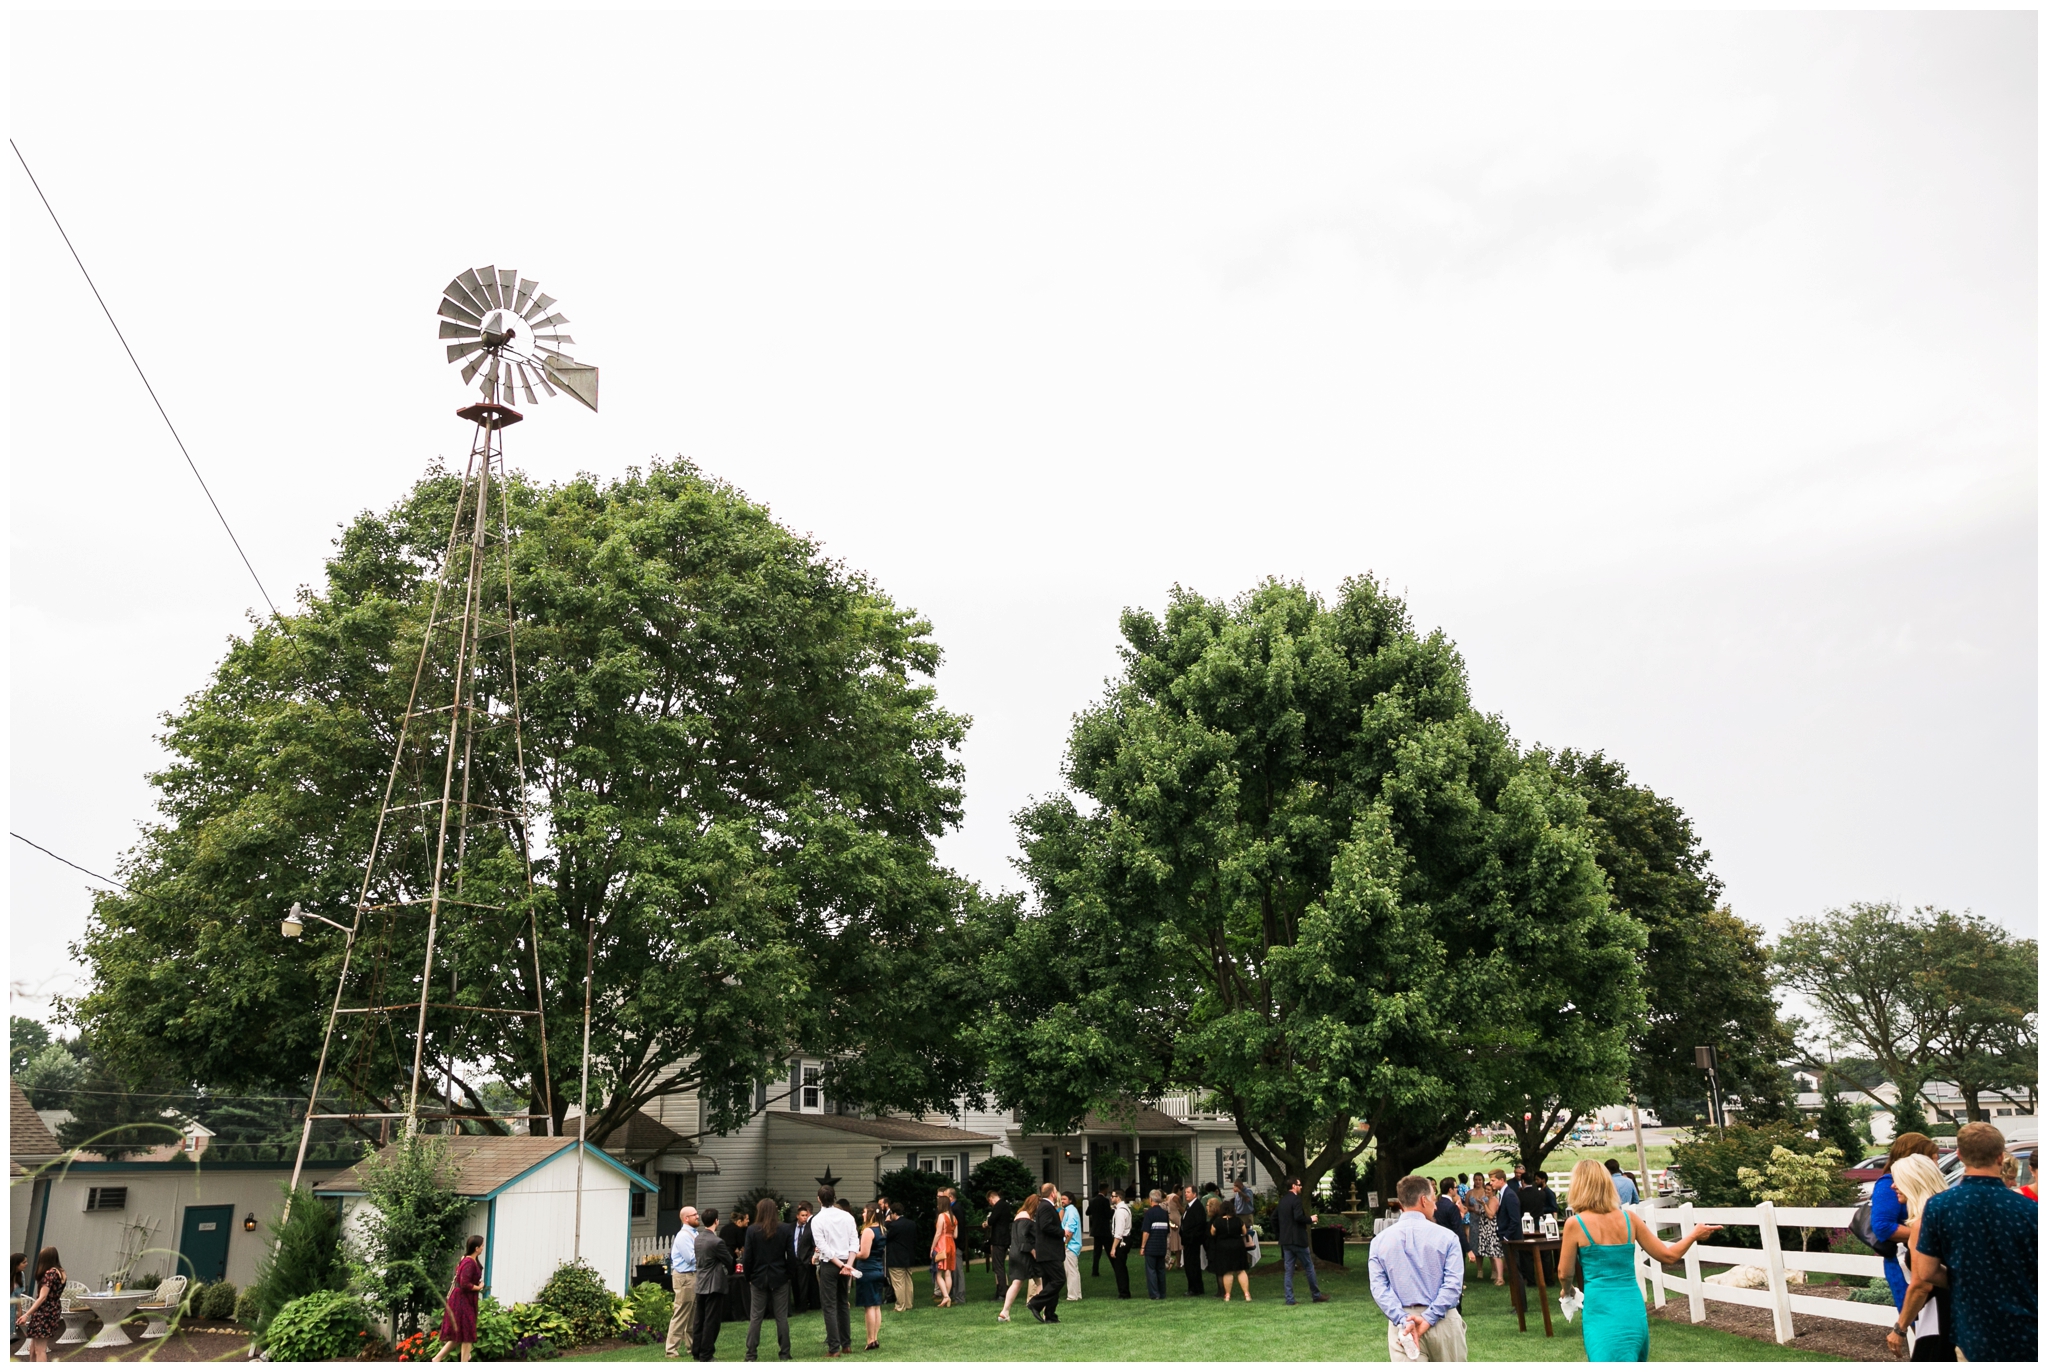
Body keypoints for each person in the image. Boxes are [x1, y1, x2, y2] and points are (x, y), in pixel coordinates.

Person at [1895, 1120, 2037, 1363]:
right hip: (2026, 1328)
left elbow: (1926, 1271)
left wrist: (1966, 1278)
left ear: (1959, 1155)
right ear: (2000, 1156)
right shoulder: (2028, 1208)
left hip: (1973, 1329)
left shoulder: (1940, 1207)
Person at [1556, 1159, 1718, 1363]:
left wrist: (1568, 1290)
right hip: (1632, 1306)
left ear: (1578, 1186)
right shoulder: (1629, 1219)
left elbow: (1564, 1273)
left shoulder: (1575, 1224)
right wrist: (1693, 1235)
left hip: (1601, 1308)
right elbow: (1668, 1256)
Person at [1369, 1177, 1467, 1362]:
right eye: (1433, 1199)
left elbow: (1379, 1288)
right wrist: (1429, 1318)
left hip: (1404, 1323)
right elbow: (1453, 1286)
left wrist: (1402, 1319)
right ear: (1423, 1200)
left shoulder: (1379, 1241)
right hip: (1443, 1321)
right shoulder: (1448, 1237)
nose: (1436, 1206)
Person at [1881, 1154, 1951, 1362]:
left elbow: (1922, 1284)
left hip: (1938, 1316)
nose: (1893, 1186)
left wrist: (1899, 1328)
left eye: (1899, 1180)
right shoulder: (1947, 1214)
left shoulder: (1923, 1225)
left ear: (1914, 1181)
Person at [1870, 1132, 1938, 1309]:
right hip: (1903, 1264)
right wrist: (1927, 1234)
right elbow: (1882, 1226)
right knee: (1917, 1318)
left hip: (1925, 1260)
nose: (1936, 1165)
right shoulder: (1888, 1184)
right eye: (1932, 1159)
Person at [808, 1185, 858, 1358]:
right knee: (843, 1302)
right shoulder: (847, 1216)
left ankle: (834, 1347)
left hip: (830, 1264)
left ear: (819, 1199)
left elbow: (823, 1248)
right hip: (845, 1261)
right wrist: (848, 1264)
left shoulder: (817, 1219)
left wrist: (843, 1265)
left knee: (829, 1305)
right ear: (835, 1197)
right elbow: (854, 1242)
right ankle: (846, 1344)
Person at [742, 1197, 792, 1363]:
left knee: (756, 1317)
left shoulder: (752, 1230)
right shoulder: (785, 1229)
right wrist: (789, 1274)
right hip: (779, 1276)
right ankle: (785, 1352)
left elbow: (747, 1257)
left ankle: (751, 1354)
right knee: (781, 1317)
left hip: (758, 1276)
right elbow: (791, 1256)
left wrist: (748, 1276)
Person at [432, 1234, 486, 1362]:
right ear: (476, 1248)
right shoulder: (468, 1262)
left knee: (461, 1335)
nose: (483, 1248)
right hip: (462, 1301)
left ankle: (436, 1360)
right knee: (467, 1335)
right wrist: (479, 1287)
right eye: (482, 1245)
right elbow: (464, 1283)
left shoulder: (468, 1259)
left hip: (464, 1300)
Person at [1276, 1175, 1328, 1306]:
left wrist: (1280, 1233)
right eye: (1299, 1185)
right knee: (1309, 1267)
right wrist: (1311, 1219)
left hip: (1286, 1241)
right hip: (1298, 1240)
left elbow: (1273, 1218)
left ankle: (1289, 1299)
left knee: (1289, 1270)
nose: (1301, 1187)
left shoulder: (1282, 1201)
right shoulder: (1296, 1200)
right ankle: (1316, 1295)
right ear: (1293, 1186)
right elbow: (1298, 1217)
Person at [692, 1208, 735, 1363]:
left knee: (699, 1319)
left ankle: (696, 1351)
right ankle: (706, 1353)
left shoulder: (698, 1239)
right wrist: (729, 1272)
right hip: (713, 1284)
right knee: (711, 1321)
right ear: (716, 1221)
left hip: (700, 1282)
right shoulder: (717, 1242)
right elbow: (729, 1261)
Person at [851, 1203, 889, 1352]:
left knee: (869, 1307)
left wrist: (852, 1252)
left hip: (867, 1270)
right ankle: (875, 1338)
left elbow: (864, 1254)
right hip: (878, 1269)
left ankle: (870, 1340)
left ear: (871, 1214)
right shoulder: (882, 1230)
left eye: (865, 1212)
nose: (863, 1215)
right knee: (876, 1305)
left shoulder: (868, 1231)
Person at [1027, 1183, 1067, 1322]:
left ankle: (1050, 1315)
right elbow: (1045, 1226)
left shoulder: (1044, 1206)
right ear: (1052, 1194)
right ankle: (1035, 1303)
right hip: (1049, 1252)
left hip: (1047, 1252)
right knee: (1059, 1279)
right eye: (1056, 1191)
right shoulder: (1046, 1206)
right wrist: (1062, 1232)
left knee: (1051, 1281)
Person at [666, 1206, 701, 1358]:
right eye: (694, 1215)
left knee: (693, 1314)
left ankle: (692, 1347)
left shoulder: (693, 1233)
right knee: (681, 1313)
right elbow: (691, 1258)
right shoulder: (683, 1236)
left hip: (692, 1276)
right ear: (686, 1218)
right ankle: (671, 1350)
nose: (697, 1216)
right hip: (684, 1277)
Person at [998, 1198, 1036, 1321]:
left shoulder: (1019, 1216)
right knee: (1040, 1280)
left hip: (1015, 1252)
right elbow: (1023, 1237)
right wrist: (1032, 1251)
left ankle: (1005, 1311)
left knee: (1017, 1282)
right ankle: (1043, 1309)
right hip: (1023, 1254)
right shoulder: (1025, 1218)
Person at [1209, 1196, 1251, 1301]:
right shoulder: (1238, 1220)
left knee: (1227, 1272)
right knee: (1241, 1271)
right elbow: (1244, 1232)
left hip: (1223, 1247)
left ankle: (1227, 1295)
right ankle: (1246, 1294)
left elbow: (1212, 1233)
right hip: (1237, 1246)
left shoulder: (1217, 1222)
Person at [883, 1200, 919, 1313]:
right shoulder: (911, 1224)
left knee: (898, 1283)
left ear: (893, 1213)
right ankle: (908, 1304)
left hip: (896, 1258)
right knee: (908, 1281)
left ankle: (900, 1306)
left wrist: (886, 1223)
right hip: (909, 1257)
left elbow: (886, 1237)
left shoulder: (893, 1225)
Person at [1467, 1177, 1503, 1286]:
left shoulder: (1493, 1200)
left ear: (1494, 1191)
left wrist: (1484, 1205)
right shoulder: (1488, 1200)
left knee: (1495, 1254)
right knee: (1491, 1253)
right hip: (1485, 1229)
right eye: (1486, 1189)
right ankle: (1497, 1276)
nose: (1486, 1191)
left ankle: (1499, 1277)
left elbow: (1491, 1215)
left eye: (1489, 1190)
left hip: (1491, 1230)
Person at [1139, 1189, 1172, 1300]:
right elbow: (1167, 1230)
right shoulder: (1164, 1213)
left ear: (1151, 1199)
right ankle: (1162, 1293)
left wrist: (1143, 1246)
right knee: (1161, 1270)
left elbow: (1146, 1232)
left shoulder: (1149, 1213)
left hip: (1151, 1246)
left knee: (1151, 1270)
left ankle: (1154, 1294)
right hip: (1161, 1246)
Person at [1178, 1185, 1208, 1296]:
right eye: (1185, 1192)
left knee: (1192, 1265)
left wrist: (1191, 1237)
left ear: (1194, 1194)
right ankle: (1194, 1287)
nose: (1186, 1194)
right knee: (1189, 1264)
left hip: (1192, 1241)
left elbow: (1199, 1225)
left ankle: (1195, 1288)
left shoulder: (1197, 1207)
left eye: (1188, 1192)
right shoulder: (1189, 1207)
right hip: (1187, 1240)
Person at [788, 1204, 817, 1316]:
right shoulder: (791, 1228)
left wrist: (810, 1257)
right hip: (792, 1259)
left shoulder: (810, 1229)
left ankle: (802, 1306)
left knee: (803, 1284)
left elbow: (813, 1244)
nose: (805, 1217)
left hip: (804, 1260)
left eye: (806, 1215)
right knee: (794, 1283)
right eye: (802, 1215)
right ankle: (796, 1303)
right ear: (797, 1216)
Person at [930, 1195, 959, 1307]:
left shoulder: (942, 1216)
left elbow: (938, 1233)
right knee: (948, 1273)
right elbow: (956, 1235)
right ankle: (947, 1298)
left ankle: (945, 1296)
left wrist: (932, 1247)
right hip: (951, 1243)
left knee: (938, 1273)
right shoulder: (954, 1217)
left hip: (942, 1244)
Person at [984, 1189, 1011, 1299]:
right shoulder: (1006, 1205)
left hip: (998, 1240)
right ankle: (1003, 1289)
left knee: (998, 1266)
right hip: (1005, 1239)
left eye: (989, 1202)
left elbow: (991, 1220)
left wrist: (986, 1223)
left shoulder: (998, 1206)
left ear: (991, 1199)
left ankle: (1002, 1293)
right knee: (1000, 1265)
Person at [1106, 1188, 1133, 1298]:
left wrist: (1113, 1248)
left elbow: (1119, 1232)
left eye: (1113, 1196)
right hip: (1125, 1239)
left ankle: (1124, 1292)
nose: (1111, 1198)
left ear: (1119, 1197)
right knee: (1121, 1266)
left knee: (1119, 1268)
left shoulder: (1121, 1211)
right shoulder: (1122, 1209)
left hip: (1122, 1241)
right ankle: (1124, 1290)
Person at [1059, 1189, 1084, 1300]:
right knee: (1074, 1270)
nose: (1062, 1201)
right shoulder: (1070, 1210)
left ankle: (1072, 1296)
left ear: (1070, 1200)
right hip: (1073, 1245)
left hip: (1071, 1246)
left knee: (1071, 1271)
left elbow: (1070, 1230)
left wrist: (1065, 1244)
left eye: (1064, 1199)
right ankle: (1077, 1294)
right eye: (1061, 1199)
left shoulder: (1071, 1211)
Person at [1088, 1183, 1114, 1277]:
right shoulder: (1105, 1201)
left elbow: (1087, 1212)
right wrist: (1113, 1210)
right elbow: (1108, 1215)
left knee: (1097, 1252)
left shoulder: (1093, 1201)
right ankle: (1116, 1267)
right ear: (1105, 1189)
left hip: (1096, 1230)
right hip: (1104, 1230)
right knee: (1110, 1249)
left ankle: (1095, 1271)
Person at [1165, 1189, 1185, 1270]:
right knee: (1178, 1243)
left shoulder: (1167, 1196)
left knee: (1169, 1242)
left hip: (1169, 1219)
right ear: (1179, 1190)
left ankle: (1168, 1262)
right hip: (1176, 1219)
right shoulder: (1175, 1197)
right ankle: (1178, 1263)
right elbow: (1181, 1209)